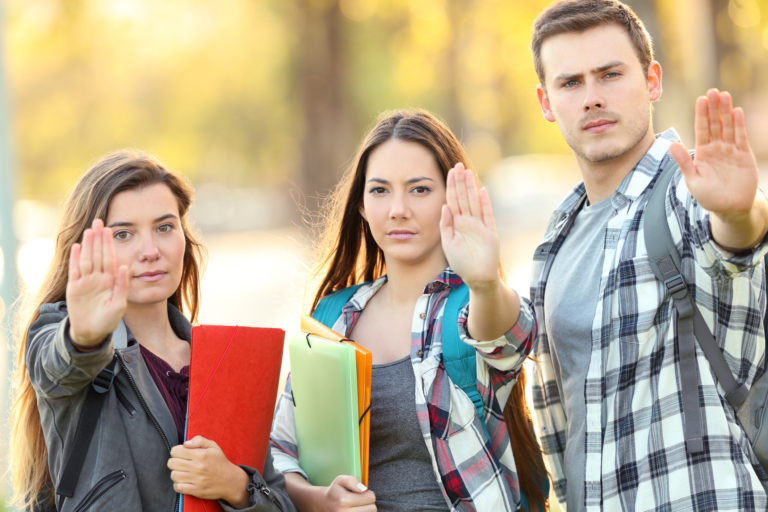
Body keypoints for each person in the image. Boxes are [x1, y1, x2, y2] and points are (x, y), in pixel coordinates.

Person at [528, 1, 768, 510]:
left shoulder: (689, 194)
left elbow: (734, 251)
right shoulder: (553, 243)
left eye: (610, 75)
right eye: (571, 83)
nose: (592, 98)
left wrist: (741, 214)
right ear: (546, 102)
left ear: (652, 80)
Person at [270, 109, 547, 511]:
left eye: (419, 189)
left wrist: (485, 283)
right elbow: (282, 452)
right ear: (361, 207)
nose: (398, 209)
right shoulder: (333, 317)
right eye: (380, 190)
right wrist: (320, 501)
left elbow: (510, 338)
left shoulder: (471, 308)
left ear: (451, 199)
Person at [9, 150, 296, 512]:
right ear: (85, 251)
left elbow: (281, 501)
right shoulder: (62, 338)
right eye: (123, 234)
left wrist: (236, 486)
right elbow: (59, 366)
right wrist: (84, 336)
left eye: (164, 228)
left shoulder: (225, 360)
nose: (150, 251)